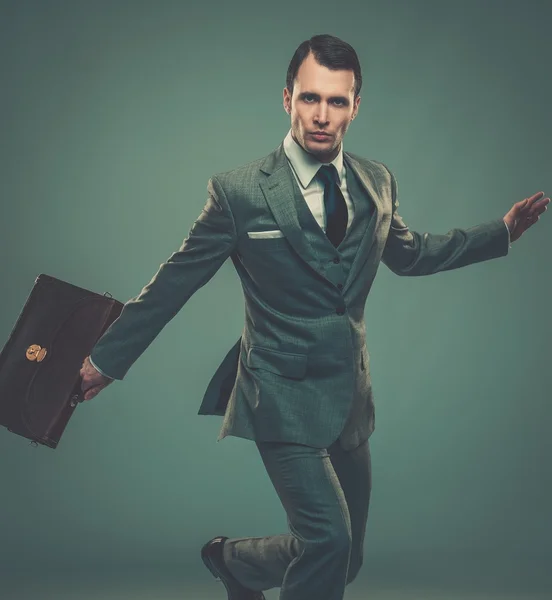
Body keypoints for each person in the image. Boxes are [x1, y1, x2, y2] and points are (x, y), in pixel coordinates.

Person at [79, 33, 548, 600]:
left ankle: (235, 563)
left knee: (342, 558)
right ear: (287, 99)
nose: (321, 116)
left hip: (349, 395)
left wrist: (499, 233)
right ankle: (240, 565)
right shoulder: (240, 193)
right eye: (309, 98)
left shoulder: (377, 182)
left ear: (355, 106)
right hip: (277, 390)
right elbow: (173, 284)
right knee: (327, 541)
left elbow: (411, 253)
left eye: (336, 101)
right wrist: (105, 359)